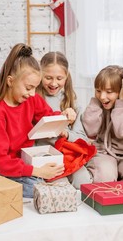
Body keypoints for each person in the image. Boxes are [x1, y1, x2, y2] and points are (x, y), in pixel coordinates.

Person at [0, 43, 76, 198]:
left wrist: (63, 116)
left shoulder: (31, 99)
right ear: (10, 81)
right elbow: (0, 160)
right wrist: (37, 171)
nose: (32, 94)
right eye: (28, 88)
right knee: (35, 189)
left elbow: (47, 116)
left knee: (40, 184)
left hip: (22, 162)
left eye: (35, 88)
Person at [81, 65, 123, 184]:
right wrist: (96, 103)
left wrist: (122, 102)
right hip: (103, 152)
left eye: (109, 92)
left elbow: (122, 131)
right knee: (104, 177)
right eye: (98, 91)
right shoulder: (98, 103)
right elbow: (90, 130)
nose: (102, 96)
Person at [35, 51, 92, 189]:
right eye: (48, 77)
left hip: (68, 153)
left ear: (66, 77)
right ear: (40, 75)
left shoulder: (72, 102)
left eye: (59, 78)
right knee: (60, 186)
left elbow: (82, 138)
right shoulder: (33, 98)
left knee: (83, 182)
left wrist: (66, 133)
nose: (54, 83)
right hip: (43, 153)